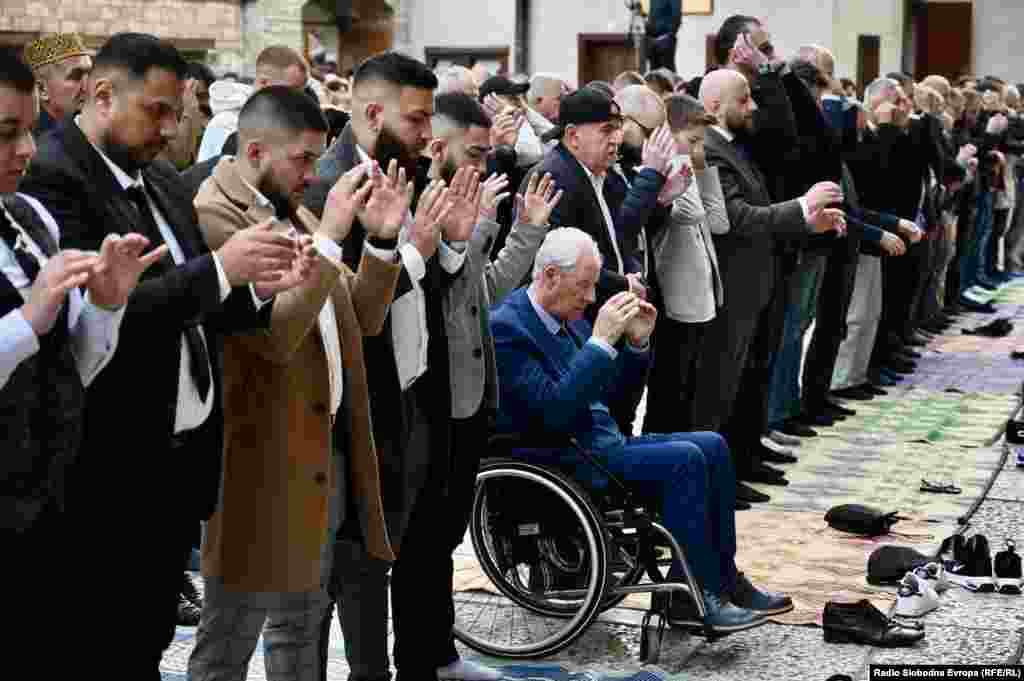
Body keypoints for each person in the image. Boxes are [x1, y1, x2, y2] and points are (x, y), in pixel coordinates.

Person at [18, 32, 304, 679]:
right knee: (99, 647)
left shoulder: (162, 182)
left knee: (144, 639)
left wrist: (253, 286)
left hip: (171, 467)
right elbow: (107, 315)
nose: (172, 128)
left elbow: (198, 304)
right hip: (100, 467)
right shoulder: (56, 177)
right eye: (156, 111)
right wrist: (221, 270)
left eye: (181, 111)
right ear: (100, 95)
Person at [187, 85, 405, 681]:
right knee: (230, 638)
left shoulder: (292, 205)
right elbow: (274, 339)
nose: (313, 172)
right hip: (257, 461)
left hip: (322, 446)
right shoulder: (215, 215)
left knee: (301, 628)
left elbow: (363, 317)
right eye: (303, 159)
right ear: (256, 150)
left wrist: (382, 240)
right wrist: (332, 235)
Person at [305, 52, 500, 681]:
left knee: (410, 546)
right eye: (416, 120)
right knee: (345, 578)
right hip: (357, 405)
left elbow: (427, 289)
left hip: (417, 393)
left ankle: (418, 660)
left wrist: (454, 246)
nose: (426, 134)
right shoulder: (328, 184)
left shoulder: (409, 172)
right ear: (370, 112)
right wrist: (412, 254)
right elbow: (343, 314)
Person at [491, 226, 792, 632]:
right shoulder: (508, 328)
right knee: (684, 460)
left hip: (597, 442)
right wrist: (599, 343)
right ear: (549, 276)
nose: (591, 297)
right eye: (583, 286)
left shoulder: (569, 318)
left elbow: (614, 396)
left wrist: (635, 346)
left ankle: (723, 580)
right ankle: (688, 599)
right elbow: (554, 410)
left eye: (593, 286)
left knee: (714, 445)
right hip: (559, 458)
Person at [0, 48, 165, 669]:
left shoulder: (30, 218)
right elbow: (29, 332)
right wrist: (26, 320)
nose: (26, 150)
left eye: (27, 127)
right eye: (5, 133)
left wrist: (106, 306)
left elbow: (72, 367)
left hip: (54, 506)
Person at [693, 68, 844, 502]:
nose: (753, 107)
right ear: (716, 105)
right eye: (744, 100)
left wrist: (806, 220)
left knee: (750, 378)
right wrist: (801, 207)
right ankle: (722, 475)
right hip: (730, 287)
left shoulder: (735, 147)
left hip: (757, 280)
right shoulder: (712, 151)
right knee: (721, 389)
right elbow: (737, 220)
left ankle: (744, 456)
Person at [642, 94, 726, 437]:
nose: (697, 149)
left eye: (700, 143)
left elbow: (718, 221)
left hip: (701, 300)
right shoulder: (663, 170)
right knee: (667, 397)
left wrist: (702, 167)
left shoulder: (690, 168)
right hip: (675, 302)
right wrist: (678, 158)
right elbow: (690, 212)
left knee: (688, 396)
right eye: (692, 140)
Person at [197, 45, 308, 164]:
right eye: (290, 92)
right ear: (264, 83)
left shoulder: (282, 122)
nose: (298, 101)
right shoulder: (226, 124)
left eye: (301, 93)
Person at [22, 32, 92, 136]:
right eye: (76, 76)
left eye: (90, 74)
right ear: (42, 90)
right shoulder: (28, 142)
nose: (88, 87)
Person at [159, 61, 214, 170]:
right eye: (193, 95)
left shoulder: (214, 124)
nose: (197, 102)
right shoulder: (164, 125)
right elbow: (179, 160)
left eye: (204, 96)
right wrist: (189, 111)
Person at [645, 0, 682, 73]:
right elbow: (654, 16)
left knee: (667, 74)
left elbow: (676, 16)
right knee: (654, 74)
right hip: (652, 40)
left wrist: (669, 35)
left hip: (665, 40)